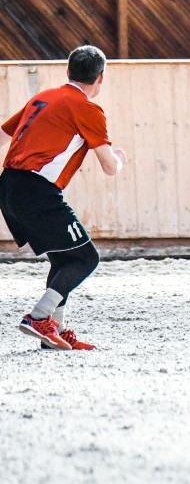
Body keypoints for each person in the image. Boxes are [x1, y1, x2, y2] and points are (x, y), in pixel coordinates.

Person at [0, 45, 128, 349]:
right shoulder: (87, 108)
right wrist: (120, 159)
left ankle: (52, 331)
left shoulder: (43, 97)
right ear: (100, 77)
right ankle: (39, 317)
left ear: (68, 71)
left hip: (8, 186)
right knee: (86, 258)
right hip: (37, 190)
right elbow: (109, 167)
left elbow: (3, 135)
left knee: (63, 258)